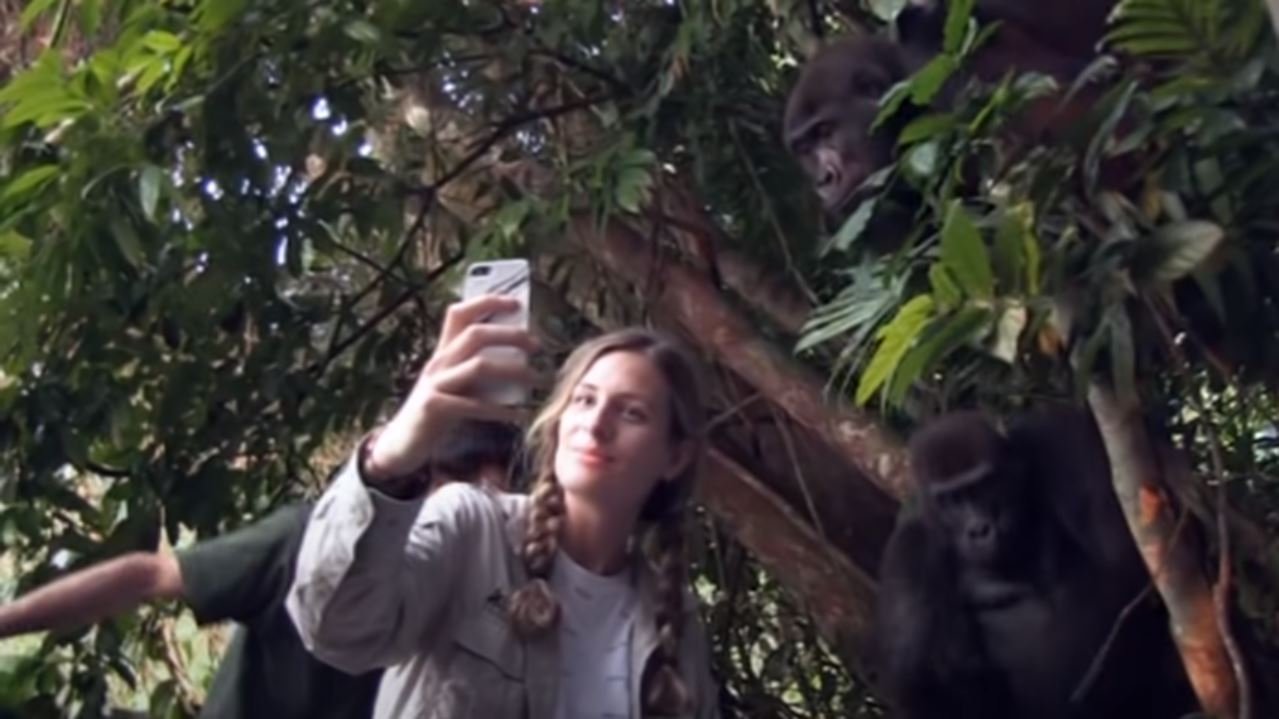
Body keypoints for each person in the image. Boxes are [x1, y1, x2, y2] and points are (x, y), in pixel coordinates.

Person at [287, 294, 720, 719]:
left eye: (632, 413)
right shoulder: (475, 527)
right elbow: (337, 630)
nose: (596, 424)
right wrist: (391, 458)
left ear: (675, 457)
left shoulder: (672, 616)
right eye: (585, 400)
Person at [0, 419, 520, 719]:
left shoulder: (486, 593)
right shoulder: (309, 542)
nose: (476, 514)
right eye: (465, 495)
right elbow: (145, 576)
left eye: (497, 500)